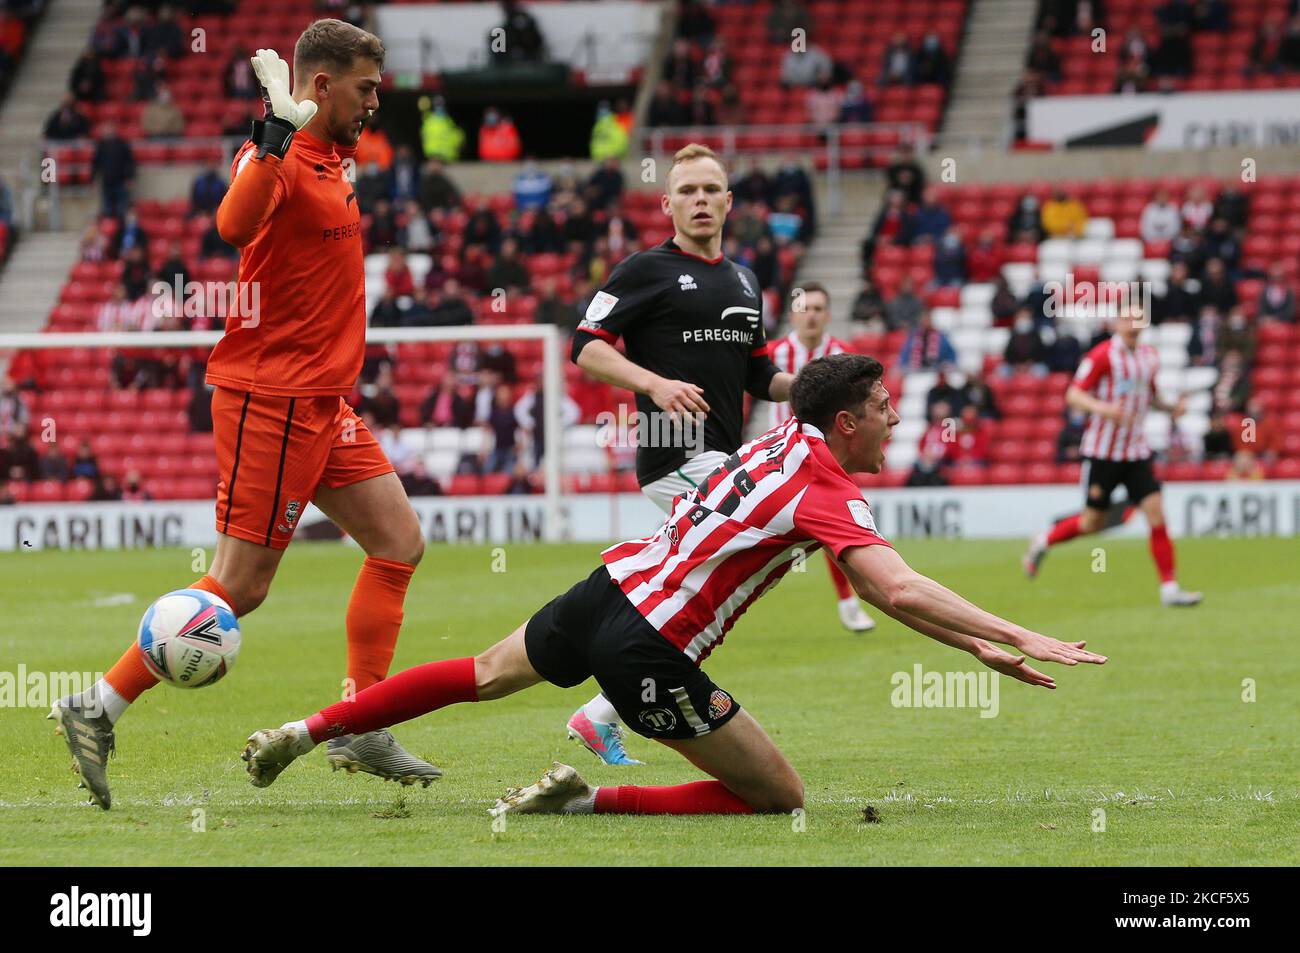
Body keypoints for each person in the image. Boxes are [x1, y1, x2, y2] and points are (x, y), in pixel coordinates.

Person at [242, 354, 1108, 815]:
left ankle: (306, 728)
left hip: (608, 586)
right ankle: (585, 803)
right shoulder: (827, 488)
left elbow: (889, 597)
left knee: (478, 674)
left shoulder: (778, 443)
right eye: (885, 407)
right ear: (847, 422)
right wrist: (1019, 634)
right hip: (649, 645)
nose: (895, 419)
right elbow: (901, 588)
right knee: (778, 798)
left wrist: (977, 649)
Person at [50, 20, 441, 813]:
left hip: (321, 400)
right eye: (365, 87)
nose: (375, 101)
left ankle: (360, 722)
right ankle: (97, 704)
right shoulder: (282, 153)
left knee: (399, 541)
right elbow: (232, 226)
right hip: (273, 398)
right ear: (320, 85)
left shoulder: (334, 153)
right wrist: (271, 135)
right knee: (239, 588)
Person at [564, 143, 796, 765]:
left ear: (729, 202)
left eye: (710, 190)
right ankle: (603, 699)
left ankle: (602, 704)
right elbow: (585, 347)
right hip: (674, 454)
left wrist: (812, 388)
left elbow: (760, 375)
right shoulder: (644, 269)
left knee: (705, 592)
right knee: (755, 556)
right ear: (667, 204)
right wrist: (652, 383)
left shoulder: (745, 280)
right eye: (687, 191)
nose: (700, 201)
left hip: (720, 454)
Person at [1022, 308, 1203, 607]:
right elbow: (1073, 395)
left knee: (1156, 513)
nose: (1133, 325)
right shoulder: (1102, 356)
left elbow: (1150, 396)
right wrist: (1106, 410)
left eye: (1138, 319)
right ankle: (1043, 541)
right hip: (1104, 453)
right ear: (1118, 322)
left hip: (1136, 452)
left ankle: (1169, 588)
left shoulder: (1149, 358)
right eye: (1128, 319)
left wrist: (1172, 409)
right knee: (1092, 522)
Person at [767, 283, 876, 633]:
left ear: (828, 315)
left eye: (817, 308)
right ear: (792, 314)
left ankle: (849, 601)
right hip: (781, 461)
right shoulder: (773, 354)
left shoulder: (844, 356)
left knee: (840, 531)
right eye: (804, 308)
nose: (810, 315)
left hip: (831, 460)